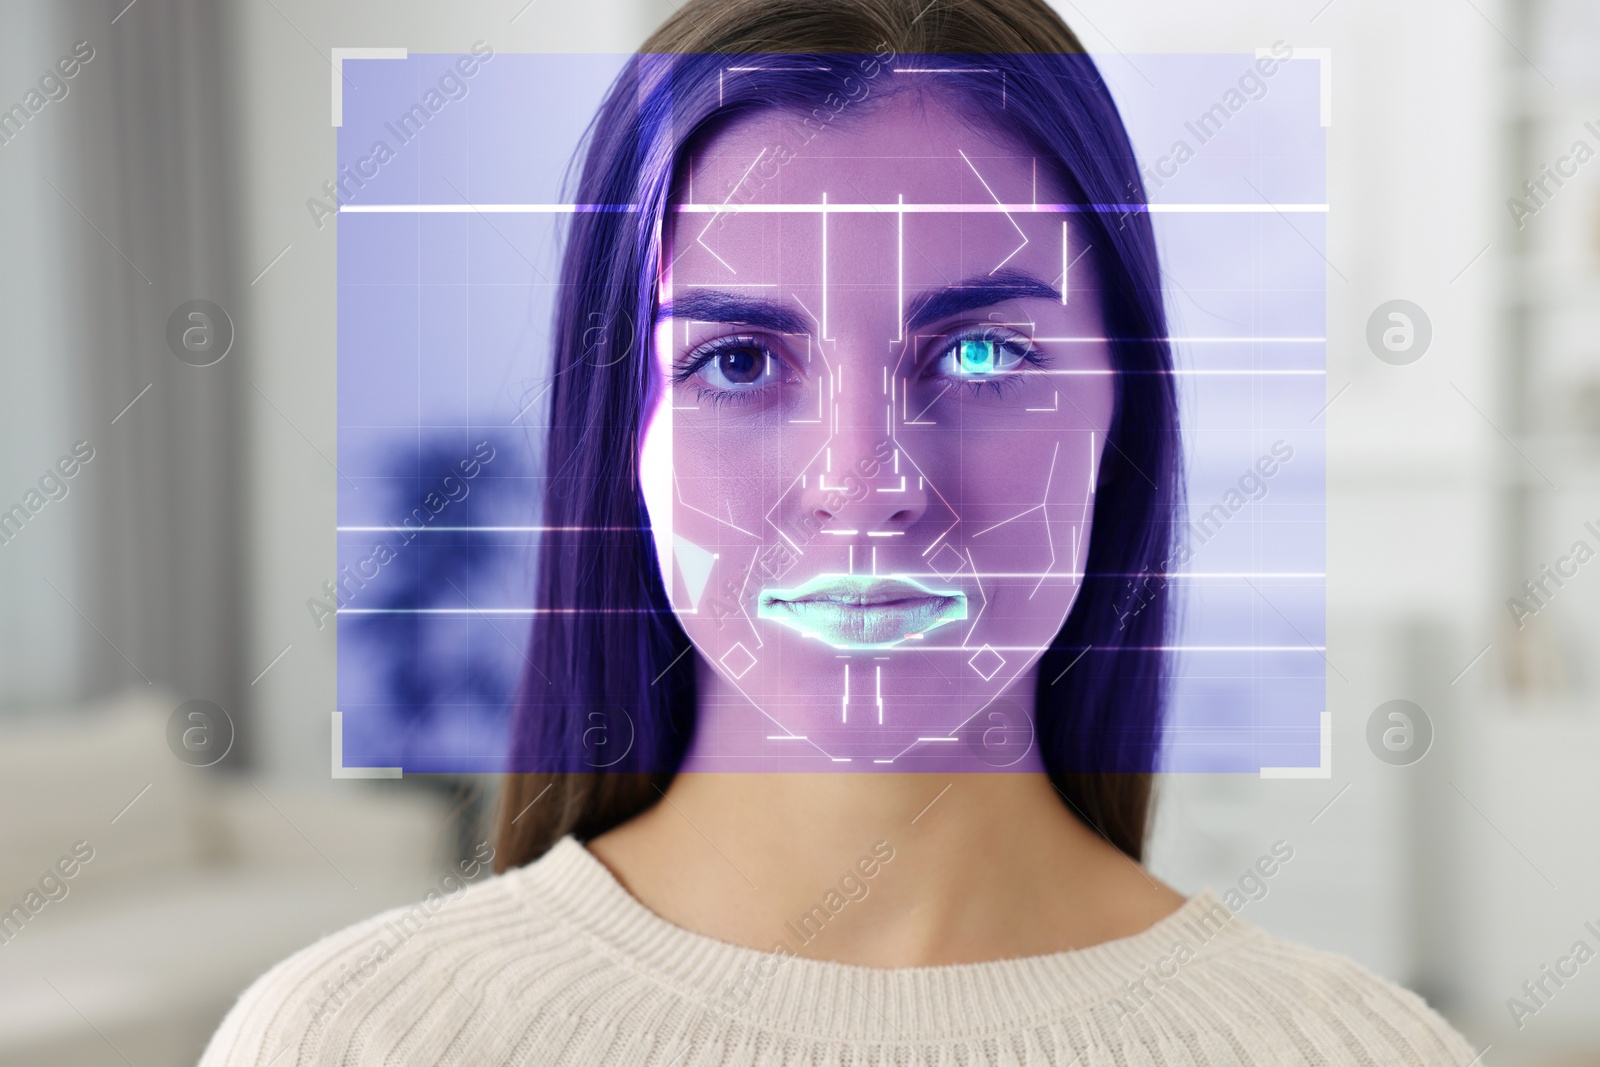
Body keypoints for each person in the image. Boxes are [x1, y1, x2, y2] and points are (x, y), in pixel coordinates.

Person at [201, 0, 1478, 1063]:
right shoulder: (353, 1038)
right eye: (740, 358)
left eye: (981, 351)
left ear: (1121, 410)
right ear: (621, 437)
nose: (863, 482)